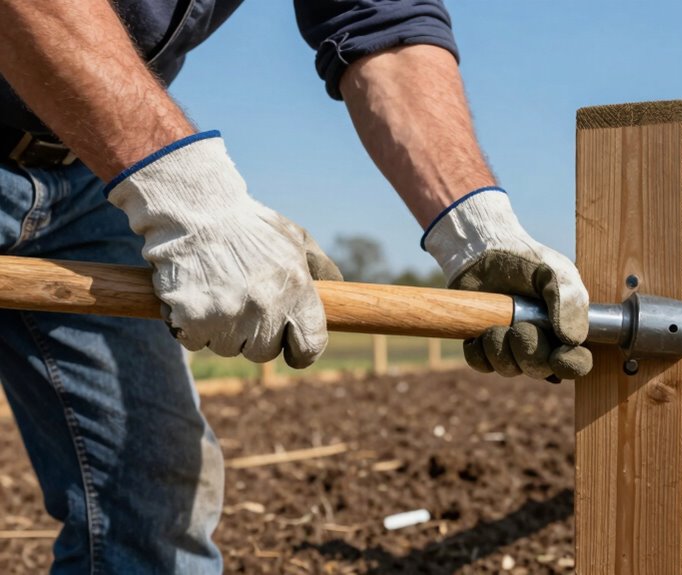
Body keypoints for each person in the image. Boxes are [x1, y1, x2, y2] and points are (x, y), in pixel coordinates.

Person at [0, 1, 592, 572]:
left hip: (84, 170)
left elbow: (383, 20)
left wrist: (475, 228)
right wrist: (190, 198)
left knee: (150, 501)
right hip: (108, 153)